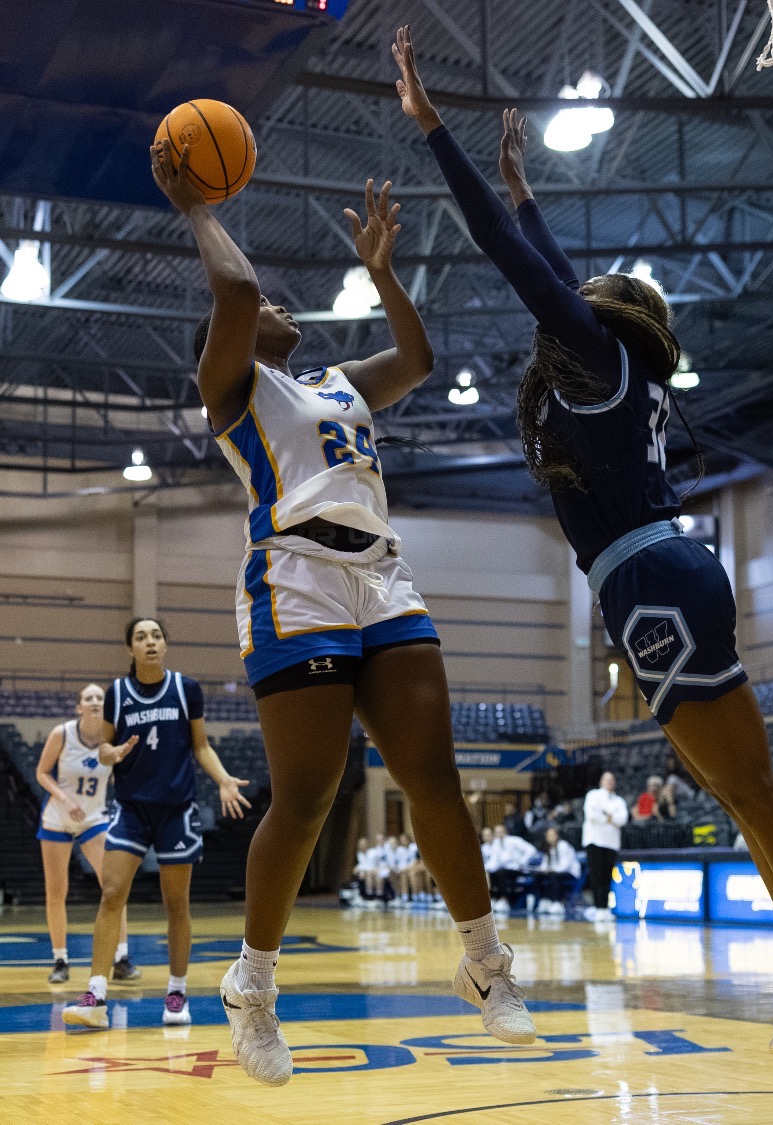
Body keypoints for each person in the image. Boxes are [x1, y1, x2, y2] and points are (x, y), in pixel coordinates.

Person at [395, 27, 773, 1081]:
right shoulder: (612, 369)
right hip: (649, 584)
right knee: (737, 788)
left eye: (591, 289)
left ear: (615, 315)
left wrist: (436, 131)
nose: (572, 291)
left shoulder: (598, 360)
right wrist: (525, 190)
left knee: (751, 784)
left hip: (655, 580)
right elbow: (551, 268)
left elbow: (516, 264)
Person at [149, 141, 534, 1083]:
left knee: (433, 775)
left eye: (285, 306)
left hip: (384, 575)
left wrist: (384, 274)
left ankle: (484, 962)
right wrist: (196, 204)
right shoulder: (234, 388)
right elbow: (237, 293)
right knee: (310, 794)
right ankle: (252, 984)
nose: (280, 309)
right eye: (269, 309)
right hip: (295, 576)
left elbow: (418, 357)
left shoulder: (338, 383)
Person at [63, 618, 252, 1031]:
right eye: (141, 637)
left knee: (176, 904)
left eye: (156, 636)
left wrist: (223, 779)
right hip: (131, 809)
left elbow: (201, 745)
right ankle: (95, 994)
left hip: (176, 810)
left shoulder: (186, 689)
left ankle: (177, 992)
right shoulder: (117, 693)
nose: (150, 642)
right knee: (111, 893)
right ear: (130, 649)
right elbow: (105, 747)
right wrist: (111, 754)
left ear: (165, 645)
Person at [35, 684, 131, 985]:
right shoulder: (62, 734)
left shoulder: (112, 738)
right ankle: (60, 960)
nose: (94, 702)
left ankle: (122, 958)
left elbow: (121, 776)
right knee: (56, 892)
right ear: (79, 707)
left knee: (113, 887)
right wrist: (65, 800)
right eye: (88, 698)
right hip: (58, 817)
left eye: (99, 698)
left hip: (93, 819)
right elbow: (41, 773)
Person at [581, 772, 627, 919]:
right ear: (601, 781)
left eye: (612, 780)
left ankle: (605, 908)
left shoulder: (619, 800)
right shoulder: (593, 795)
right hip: (595, 841)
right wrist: (611, 818)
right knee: (596, 876)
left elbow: (623, 819)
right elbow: (591, 815)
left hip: (611, 843)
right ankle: (598, 908)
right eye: (606, 779)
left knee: (607, 876)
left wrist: (606, 815)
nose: (609, 782)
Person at [534, 826, 580, 913]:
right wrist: (540, 870)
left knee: (555, 876)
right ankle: (544, 899)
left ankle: (558, 901)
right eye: (548, 836)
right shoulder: (548, 848)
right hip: (555, 872)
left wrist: (551, 870)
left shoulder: (563, 846)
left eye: (552, 835)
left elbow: (565, 866)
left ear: (557, 836)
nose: (550, 838)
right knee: (538, 876)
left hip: (570, 873)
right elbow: (544, 865)